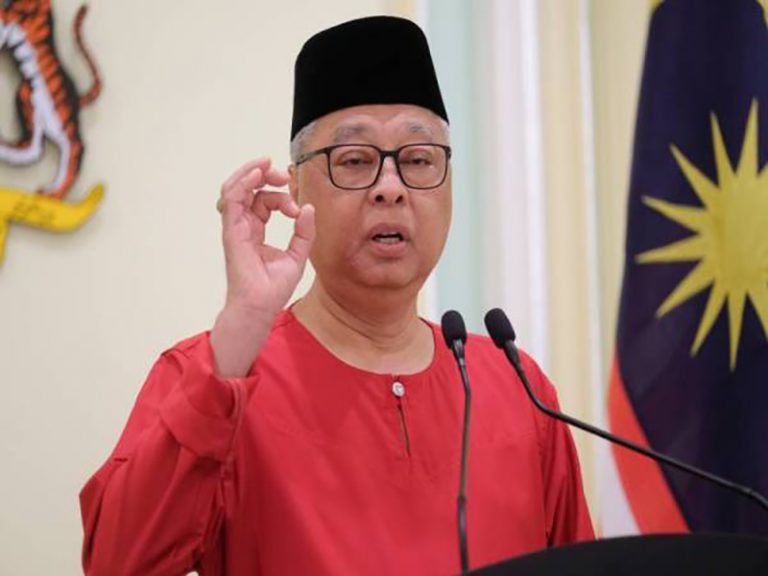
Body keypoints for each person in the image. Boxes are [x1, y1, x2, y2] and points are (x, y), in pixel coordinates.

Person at [79, 16, 594, 576]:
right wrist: (240, 330)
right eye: (355, 161)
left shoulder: (517, 389)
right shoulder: (214, 375)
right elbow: (116, 563)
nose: (391, 188)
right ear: (296, 187)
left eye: (418, 160)